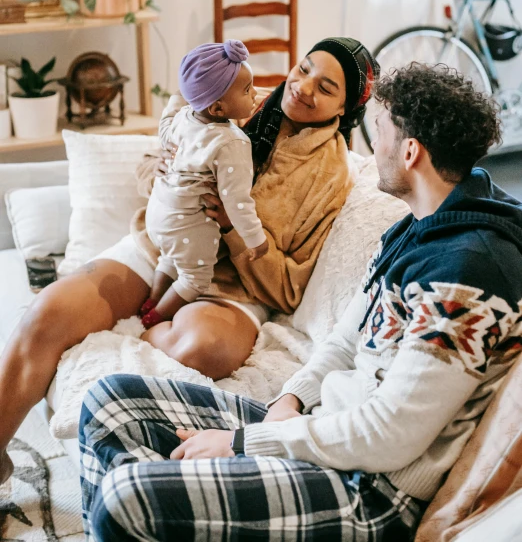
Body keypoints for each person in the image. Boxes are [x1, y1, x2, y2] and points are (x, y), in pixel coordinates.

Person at [79, 63, 522, 542]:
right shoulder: (413, 229)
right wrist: (289, 400)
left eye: (381, 133)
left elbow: (391, 435)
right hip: (320, 430)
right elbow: (342, 343)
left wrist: (244, 443)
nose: (373, 147)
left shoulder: (468, 274)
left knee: (128, 497)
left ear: (411, 152)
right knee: (108, 401)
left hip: (371, 489)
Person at [0, 37, 378, 485]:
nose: (303, 86)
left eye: (327, 87)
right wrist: (159, 165)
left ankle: (138, 325)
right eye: (304, 68)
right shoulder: (234, 99)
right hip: (160, 248)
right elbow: (151, 172)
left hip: (233, 287)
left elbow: (289, 289)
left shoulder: (331, 174)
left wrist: (234, 231)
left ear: (345, 108)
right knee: (47, 315)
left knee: (203, 348)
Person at [140, 39, 268, 329]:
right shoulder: (232, 142)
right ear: (218, 108)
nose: (255, 94)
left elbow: (165, 124)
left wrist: (182, 93)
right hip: (187, 223)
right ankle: (154, 317)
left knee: (170, 258)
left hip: (159, 215)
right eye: (247, 90)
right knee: (195, 278)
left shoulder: (185, 117)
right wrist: (255, 239)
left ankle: (151, 300)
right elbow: (237, 200)